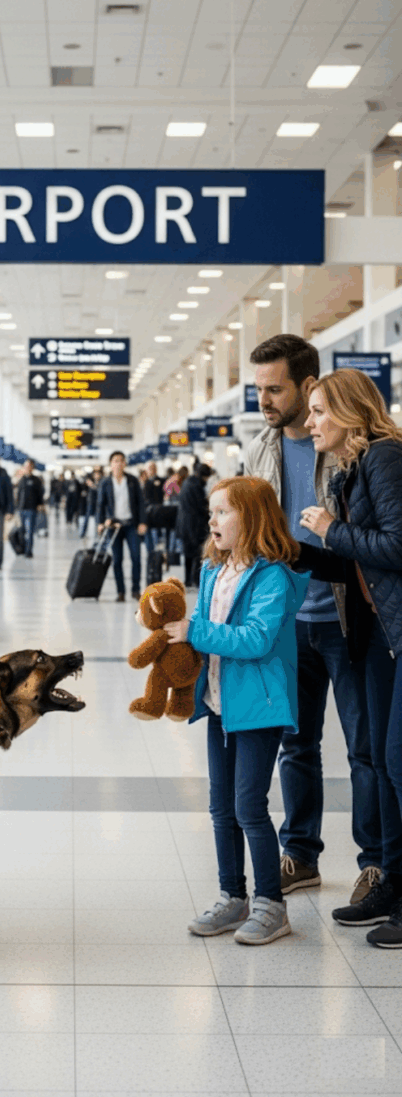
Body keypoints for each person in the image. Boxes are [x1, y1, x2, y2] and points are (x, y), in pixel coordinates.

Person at [246, 334, 381, 907]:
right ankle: (299, 854)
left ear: (308, 385)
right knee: (296, 745)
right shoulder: (260, 448)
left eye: (275, 389)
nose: (264, 400)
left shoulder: (349, 445)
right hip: (286, 620)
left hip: (349, 618)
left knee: (364, 748)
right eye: (259, 389)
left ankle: (376, 863)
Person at [165, 476, 309, 944]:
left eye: (223, 511)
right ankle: (233, 897)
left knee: (249, 807)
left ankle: (271, 904)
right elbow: (204, 629)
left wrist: (193, 632)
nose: (212, 520)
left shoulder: (273, 576)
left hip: (258, 708)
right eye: (212, 512)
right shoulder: (214, 570)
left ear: (253, 517)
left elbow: (256, 639)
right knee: (221, 807)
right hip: (219, 704)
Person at [294, 369, 402, 947]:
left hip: (397, 628)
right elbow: (360, 563)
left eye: (318, 411)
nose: (310, 422)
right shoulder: (350, 470)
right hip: (379, 633)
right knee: (383, 762)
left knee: (396, 761)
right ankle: (393, 884)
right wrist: (297, 554)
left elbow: (398, 546)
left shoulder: (385, 457)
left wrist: (333, 530)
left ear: (349, 411)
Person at [96, 451, 147, 602]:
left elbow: (140, 502)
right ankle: (120, 592)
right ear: (111, 464)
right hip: (114, 527)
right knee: (117, 560)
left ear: (125, 464)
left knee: (136, 558)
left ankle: (136, 590)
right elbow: (100, 504)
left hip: (131, 525)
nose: (118, 463)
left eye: (121, 460)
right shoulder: (105, 482)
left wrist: (142, 522)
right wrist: (100, 522)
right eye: (115, 461)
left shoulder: (132, 480)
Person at [175, 463, 212, 589]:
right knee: (198, 553)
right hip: (195, 525)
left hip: (184, 524)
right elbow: (202, 507)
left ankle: (187, 580)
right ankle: (196, 580)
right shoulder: (196, 486)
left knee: (188, 554)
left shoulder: (187, 482)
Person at [15, 458, 45, 559]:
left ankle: (29, 551)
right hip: (21, 509)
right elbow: (18, 494)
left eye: (29, 466)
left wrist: (40, 504)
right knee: (21, 531)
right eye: (26, 466)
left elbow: (40, 494)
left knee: (30, 531)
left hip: (32, 509)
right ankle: (22, 549)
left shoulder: (36, 480)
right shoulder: (21, 480)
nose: (27, 468)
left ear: (32, 467)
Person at [141, 461, 165, 554]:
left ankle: (159, 553)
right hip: (147, 512)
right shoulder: (143, 482)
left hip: (158, 510)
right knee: (148, 533)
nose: (152, 470)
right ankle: (150, 553)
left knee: (158, 533)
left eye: (154, 468)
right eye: (150, 468)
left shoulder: (161, 480)